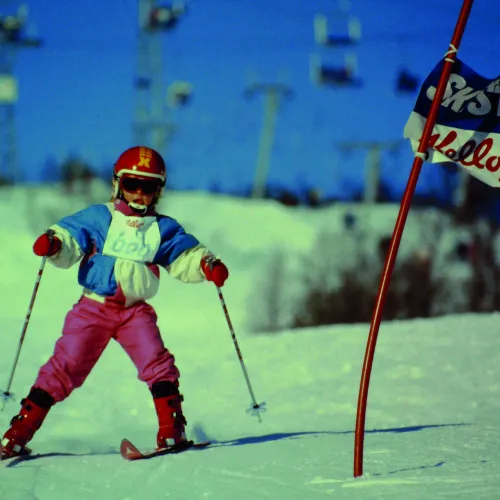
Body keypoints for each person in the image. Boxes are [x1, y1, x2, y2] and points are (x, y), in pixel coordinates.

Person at [0, 146, 229, 459]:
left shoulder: (162, 229)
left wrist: (207, 265)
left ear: (158, 190)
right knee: (65, 366)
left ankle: (172, 430)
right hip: (94, 307)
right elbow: (70, 236)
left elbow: (185, 255)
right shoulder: (100, 217)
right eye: (131, 184)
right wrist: (54, 243)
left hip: (135, 311)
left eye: (147, 187)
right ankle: (18, 433)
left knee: (157, 362)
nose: (138, 193)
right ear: (118, 184)